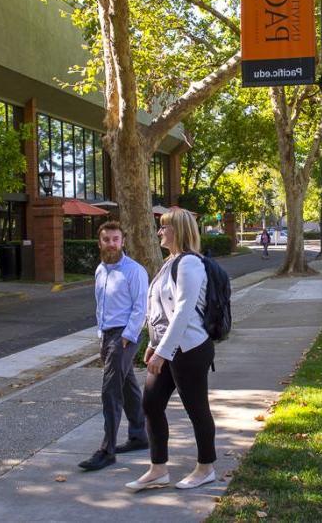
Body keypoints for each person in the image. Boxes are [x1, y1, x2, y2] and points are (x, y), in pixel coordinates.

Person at [126, 207, 217, 491]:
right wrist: (153, 345)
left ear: (178, 230)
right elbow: (159, 312)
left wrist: (163, 351)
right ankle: (158, 469)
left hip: (190, 349)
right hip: (167, 347)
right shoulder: (170, 262)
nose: (159, 231)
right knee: (151, 403)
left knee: (196, 408)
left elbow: (183, 312)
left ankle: (205, 468)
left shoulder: (190, 264)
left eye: (165, 227)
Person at [78, 221, 149, 471]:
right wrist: (101, 334)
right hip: (107, 335)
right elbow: (100, 305)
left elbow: (141, 307)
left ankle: (107, 450)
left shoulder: (134, 270)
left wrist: (127, 337)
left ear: (123, 241)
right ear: (100, 242)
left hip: (124, 336)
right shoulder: (100, 270)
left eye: (115, 239)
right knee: (127, 385)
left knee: (110, 390)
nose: (111, 244)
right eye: (106, 239)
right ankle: (139, 435)